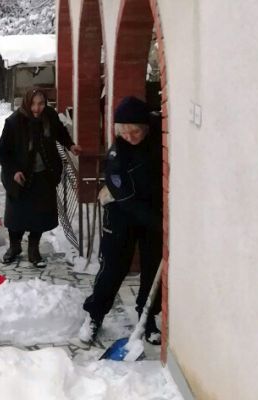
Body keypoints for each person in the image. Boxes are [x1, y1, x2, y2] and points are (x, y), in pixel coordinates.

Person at [79, 96, 163, 345]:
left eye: (135, 131)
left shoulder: (158, 137)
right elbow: (126, 200)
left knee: (153, 266)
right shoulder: (117, 155)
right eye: (124, 132)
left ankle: (147, 318)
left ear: (145, 127)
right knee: (114, 267)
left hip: (154, 213)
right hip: (121, 213)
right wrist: (160, 223)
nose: (130, 136)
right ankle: (94, 315)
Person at [0, 88, 81, 267]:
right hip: (20, 177)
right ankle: (14, 247)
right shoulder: (14, 122)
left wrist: (71, 145)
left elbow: (60, 132)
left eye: (41, 103)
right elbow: (2, 152)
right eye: (33, 104)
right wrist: (14, 171)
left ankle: (33, 250)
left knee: (39, 214)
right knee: (16, 215)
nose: (37, 108)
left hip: (44, 174)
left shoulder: (49, 116)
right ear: (27, 102)